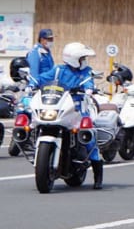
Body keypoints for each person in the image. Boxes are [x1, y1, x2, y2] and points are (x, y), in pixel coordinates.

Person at [29, 42, 103, 189]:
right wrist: (31, 84)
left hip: (77, 107)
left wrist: (89, 90)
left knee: (88, 133)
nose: (84, 61)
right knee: (31, 123)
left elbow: (89, 83)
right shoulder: (58, 70)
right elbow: (41, 78)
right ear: (74, 59)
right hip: (58, 105)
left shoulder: (86, 71)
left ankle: (98, 175)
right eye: (82, 58)